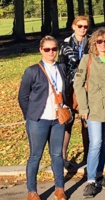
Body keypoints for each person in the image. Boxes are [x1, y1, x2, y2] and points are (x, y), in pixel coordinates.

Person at [19, 36, 69, 200]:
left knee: (57, 155)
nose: (51, 52)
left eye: (54, 49)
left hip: (57, 120)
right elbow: (23, 96)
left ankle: (59, 188)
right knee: (35, 156)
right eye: (47, 49)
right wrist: (31, 115)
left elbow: (65, 90)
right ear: (41, 50)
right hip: (38, 120)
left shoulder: (61, 67)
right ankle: (32, 191)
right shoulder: (32, 70)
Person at [74, 27, 105, 198]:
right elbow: (78, 85)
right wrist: (83, 108)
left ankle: (100, 174)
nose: (102, 44)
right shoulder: (87, 59)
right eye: (99, 41)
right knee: (95, 143)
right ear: (94, 43)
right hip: (93, 109)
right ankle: (91, 180)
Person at [57, 15, 90, 170]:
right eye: (80, 26)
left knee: (87, 123)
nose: (82, 29)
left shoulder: (92, 42)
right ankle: (63, 157)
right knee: (67, 122)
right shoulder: (65, 45)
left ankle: (89, 156)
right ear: (73, 26)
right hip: (69, 88)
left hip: (87, 86)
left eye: (85, 26)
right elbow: (61, 68)